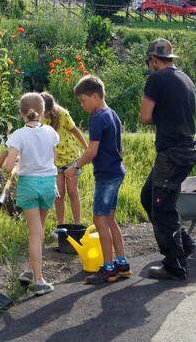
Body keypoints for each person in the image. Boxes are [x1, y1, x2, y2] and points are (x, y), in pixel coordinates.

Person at [138, 38, 196, 281]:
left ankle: (174, 264)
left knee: (162, 207)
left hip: (171, 153)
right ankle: (185, 243)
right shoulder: (186, 79)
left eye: (149, 62)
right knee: (147, 196)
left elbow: (144, 117)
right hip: (186, 150)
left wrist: (159, 117)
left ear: (153, 60)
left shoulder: (155, 79)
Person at [65, 75, 130, 284]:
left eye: (83, 100)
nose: (82, 105)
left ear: (94, 96)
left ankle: (108, 268)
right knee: (110, 219)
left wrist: (75, 166)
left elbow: (92, 150)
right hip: (116, 172)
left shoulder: (97, 117)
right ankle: (122, 264)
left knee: (99, 219)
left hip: (106, 175)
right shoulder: (112, 114)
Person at [0, 92, 59, 295]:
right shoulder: (51, 132)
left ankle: (38, 280)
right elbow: (52, 159)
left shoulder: (18, 135)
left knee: (34, 233)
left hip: (29, 184)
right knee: (39, 231)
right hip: (49, 183)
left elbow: (6, 166)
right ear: (42, 112)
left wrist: (16, 163)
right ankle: (31, 271)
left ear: (21, 114)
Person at [41, 92, 88, 225]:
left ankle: (77, 224)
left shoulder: (62, 114)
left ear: (49, 110)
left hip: (70, 159)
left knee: (72, 192)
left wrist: (87, 147)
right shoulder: (40, 117)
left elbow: (75, 131)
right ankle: (61, 226)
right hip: (54, 161)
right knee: (59, 194)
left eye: (43, 111)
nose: (41, 113)